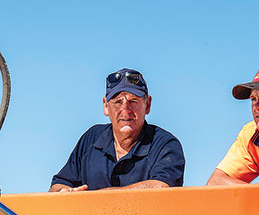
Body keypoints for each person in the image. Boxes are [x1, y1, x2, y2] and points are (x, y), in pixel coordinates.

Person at [50, 68, 184, 192]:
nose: (125, 110)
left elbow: (163, 187)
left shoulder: (165, 144)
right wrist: (64, 192)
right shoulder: (91, 138)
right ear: (106, 106)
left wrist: (99, 198)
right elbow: (59, 184)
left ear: (147, 105)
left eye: (133, 101)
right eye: (118, 102)